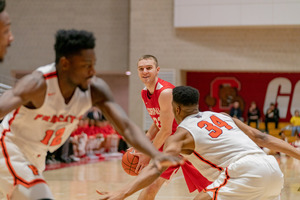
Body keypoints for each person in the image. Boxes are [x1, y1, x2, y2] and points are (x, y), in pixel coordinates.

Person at [0, 30, 183, 200]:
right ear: (65, 64)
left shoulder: (95, 89)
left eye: (94, 64)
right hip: (10, 149)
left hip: (37, 156)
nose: (92, 71)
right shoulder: (37, 84)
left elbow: (125, 127)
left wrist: (154, 154)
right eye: (86, 65)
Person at [98, 86, 300, 200]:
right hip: (271, 168)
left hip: (243, 170)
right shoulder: (223, 116)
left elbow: (158, 167)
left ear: (176, 109)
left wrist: (122, 193)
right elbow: (262, 138)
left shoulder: (181, 135)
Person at [128, 55, 207, 200]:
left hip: (190, 143)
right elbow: (158, 122)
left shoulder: (165, 93)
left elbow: (165, 130)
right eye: (141, 69)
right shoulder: (144, 92)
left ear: (157, 70)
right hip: (173, 143)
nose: (145, 71)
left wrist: (148, 154)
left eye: (149, 68)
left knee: (211, 189)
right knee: (151, 186)